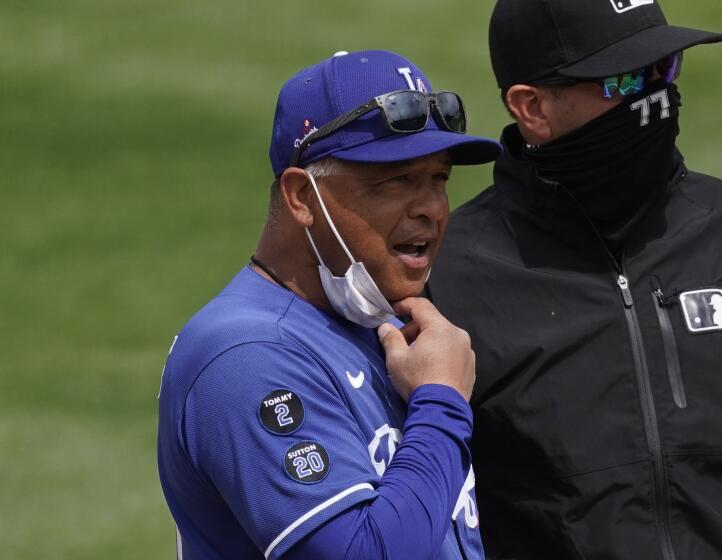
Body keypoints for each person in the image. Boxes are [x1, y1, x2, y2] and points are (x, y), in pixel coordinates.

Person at [427, 1, 722, 558]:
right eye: (623, 78)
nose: (654, 94)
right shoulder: (453, 279)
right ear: (532, 107)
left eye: (663, 67)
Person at [157, 49, 501, 559]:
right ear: (301, 197)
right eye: (396, 181)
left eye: (439, 180)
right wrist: (442, 404)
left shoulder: (380, 322)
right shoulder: (245, 355)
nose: (430, 207)